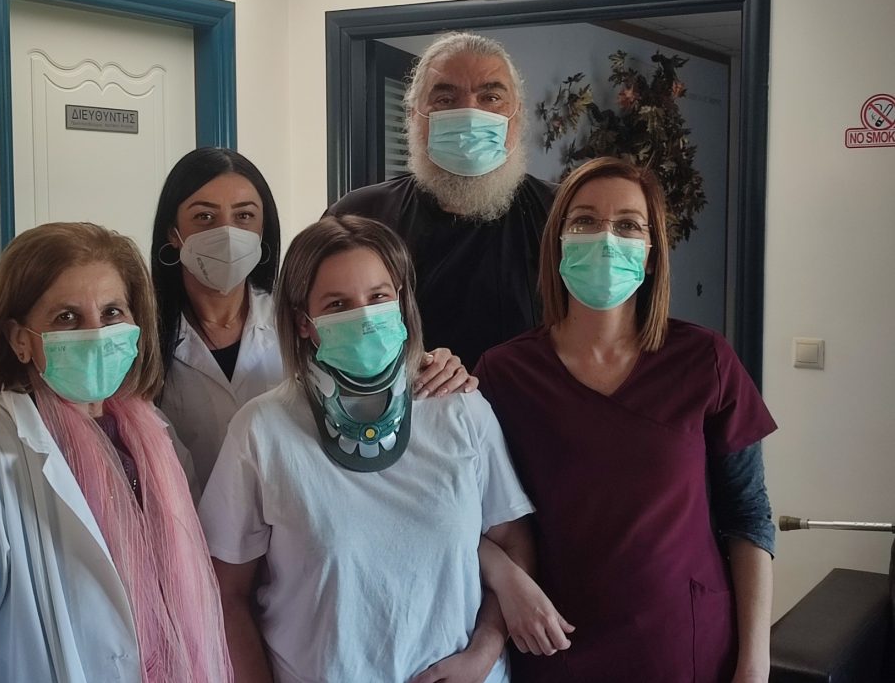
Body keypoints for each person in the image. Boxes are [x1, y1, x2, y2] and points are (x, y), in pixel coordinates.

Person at [200, 215, 561, 683]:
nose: (366, 318)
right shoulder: (262, 431)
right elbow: (227, 594)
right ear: (304, 322)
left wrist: (484, 653)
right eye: (338, 304)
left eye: (378, 297)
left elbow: (512, 541)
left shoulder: (460, 409)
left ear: (402, 302)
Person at [474, 157, 776, 682]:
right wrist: (505, 579)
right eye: (584, 221)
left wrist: (755, 663)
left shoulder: (704, 361)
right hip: (555, 643)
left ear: (652, 255)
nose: (606, 238)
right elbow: (460, 515)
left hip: (685, 646)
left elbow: (748, 516)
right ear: (557, 244)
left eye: (629, 225)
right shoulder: (505, 374)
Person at [0, 223, 232, 683]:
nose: (96, 334)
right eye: (66, 317)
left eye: (112, 312)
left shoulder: (152, 434)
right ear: (20, 339)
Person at [153, 147, 476, 493]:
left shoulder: (310, 322)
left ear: (263, 229)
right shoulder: (147, 338)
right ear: (173, 232)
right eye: (204, 217)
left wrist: (432, 366)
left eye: (244, 215)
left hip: (298, 509)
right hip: (187, 518)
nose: (228, 233)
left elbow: (371, 372)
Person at [327, 31, 555, 370]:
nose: (470, 114)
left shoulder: (560, 213)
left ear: (517, 116)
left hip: (525, 402)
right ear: (413, 115)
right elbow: (323, 325)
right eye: (446, 99)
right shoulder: (360, 216)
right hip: (399, 401)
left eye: (491, 97)